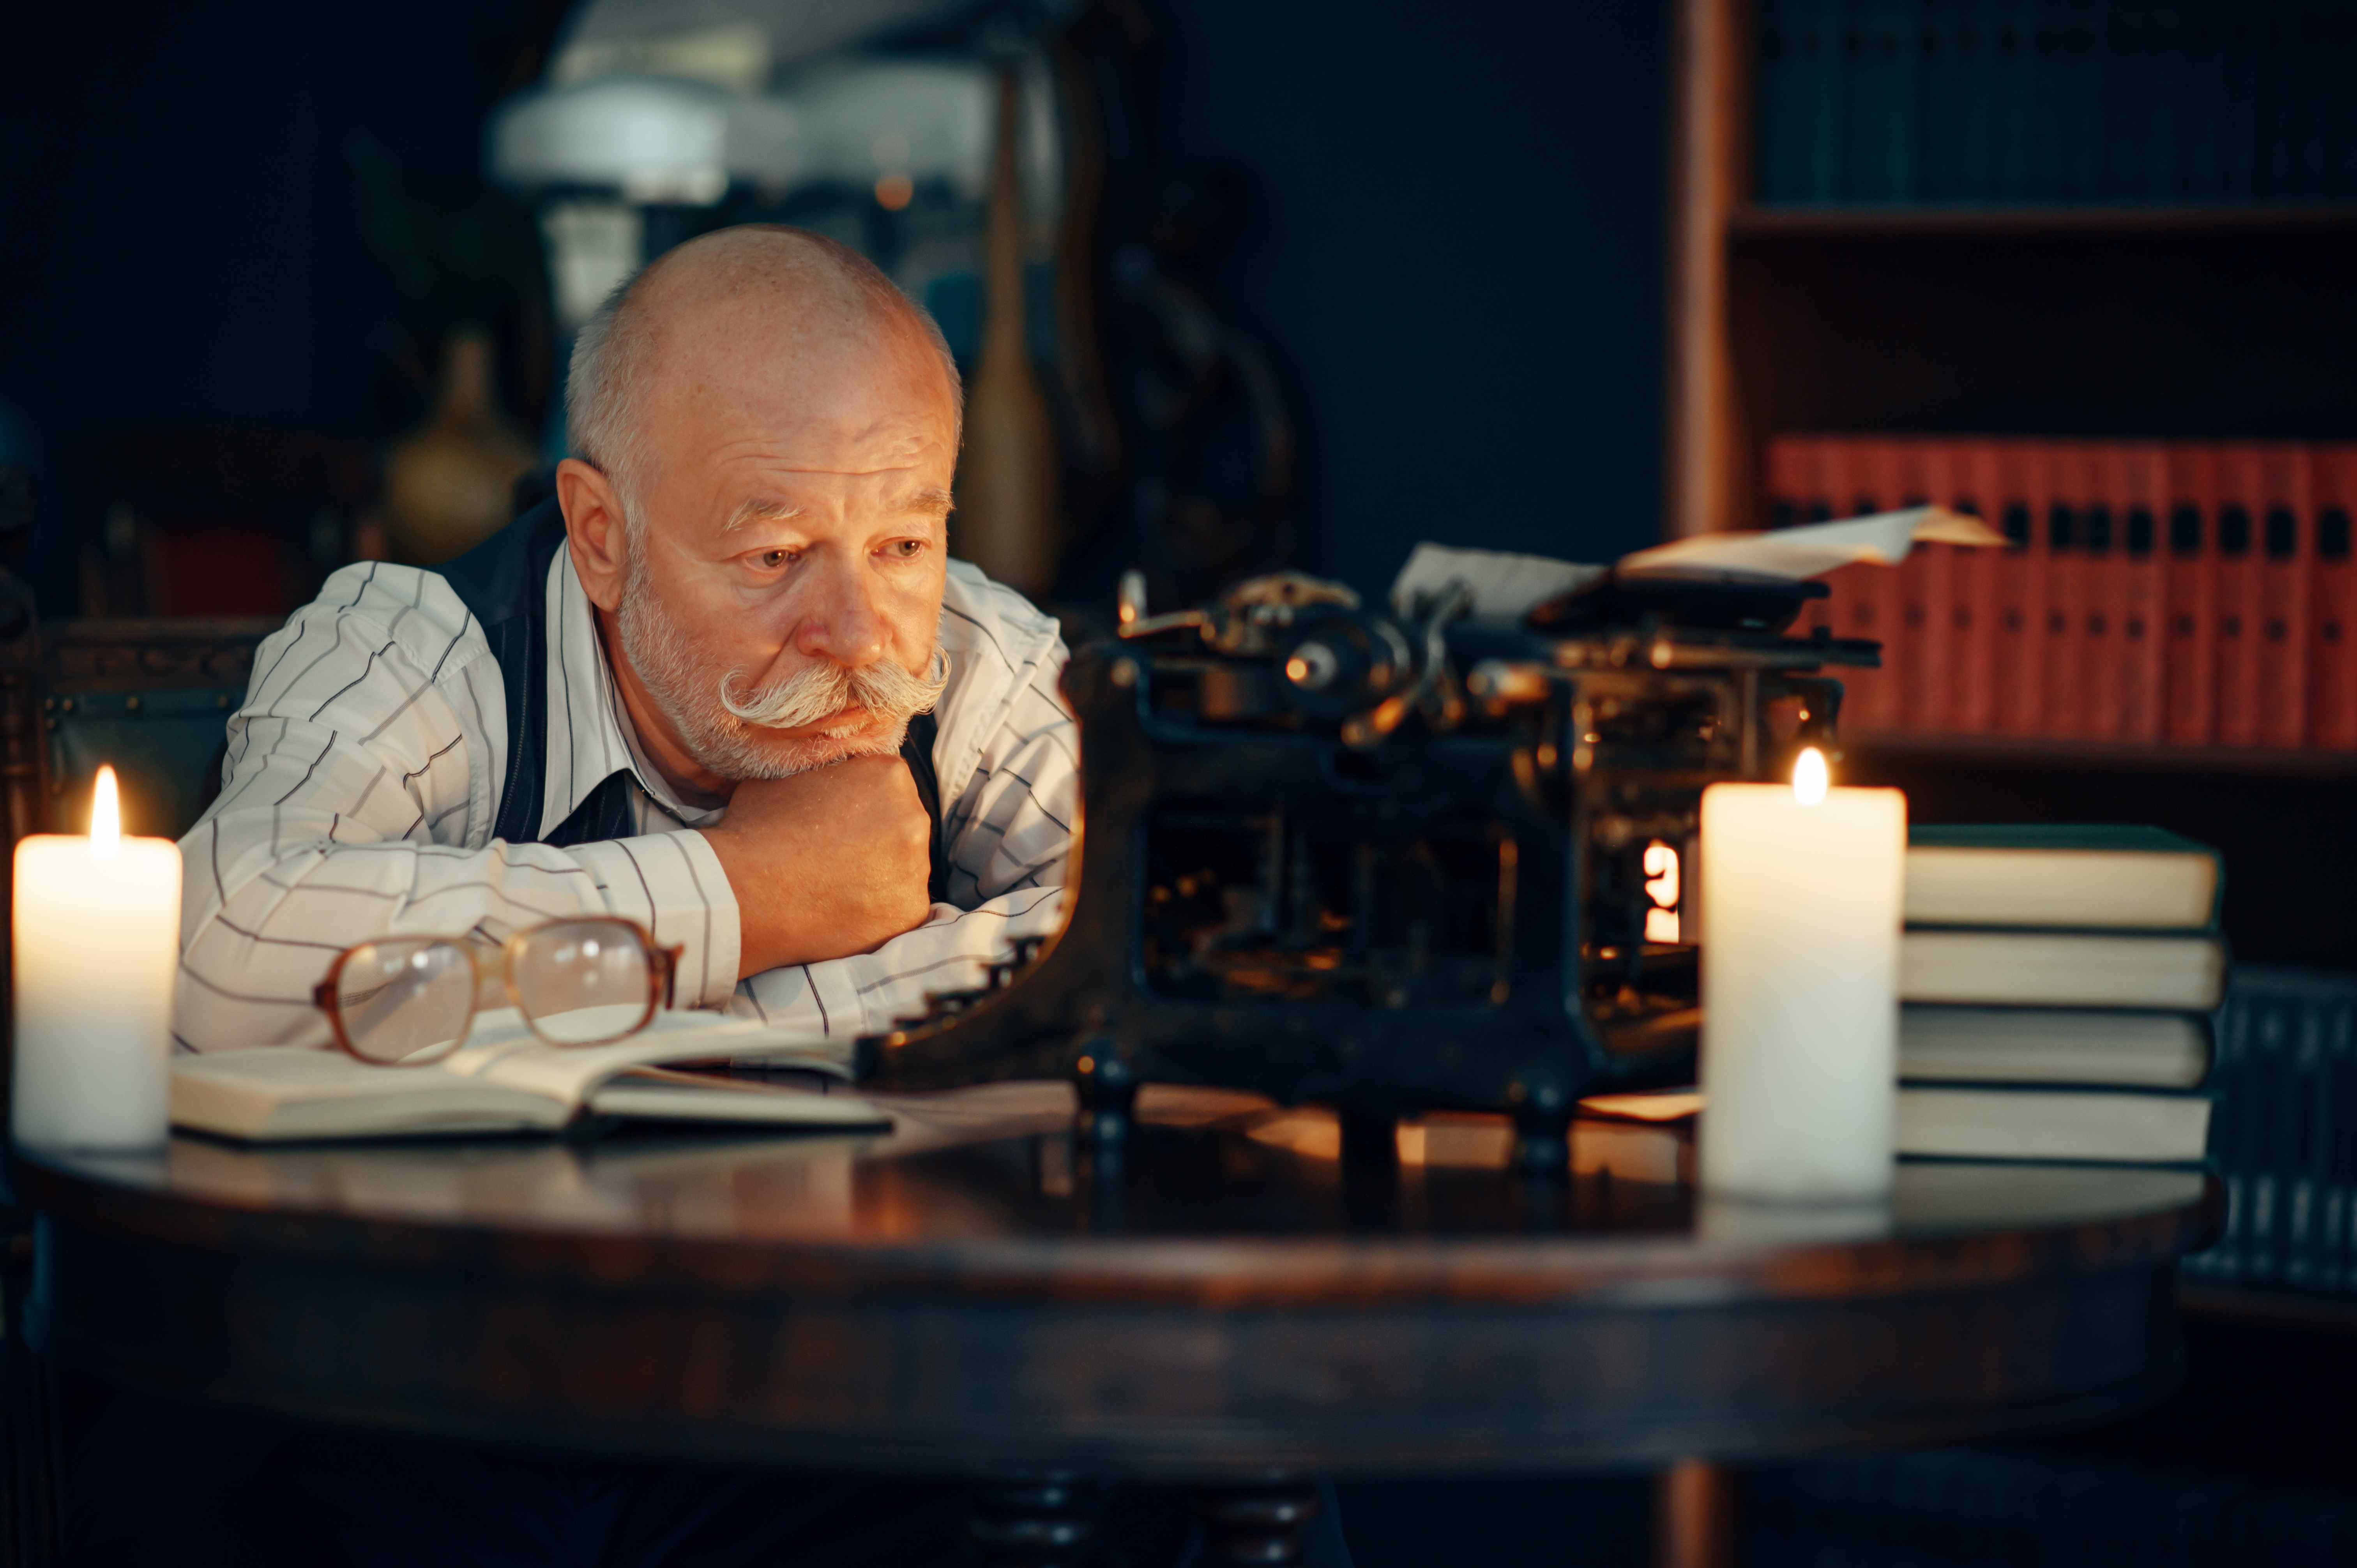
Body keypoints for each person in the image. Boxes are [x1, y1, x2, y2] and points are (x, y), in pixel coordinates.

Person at [173, 224, 1072, 1058]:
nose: (857, 634)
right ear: (602, 538)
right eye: (777, 554)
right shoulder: (416, 651)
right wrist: (750, 891)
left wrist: (693, 1018)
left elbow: (1166, 938)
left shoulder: (979, 655)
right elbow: (219, 956)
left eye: (904, 545)